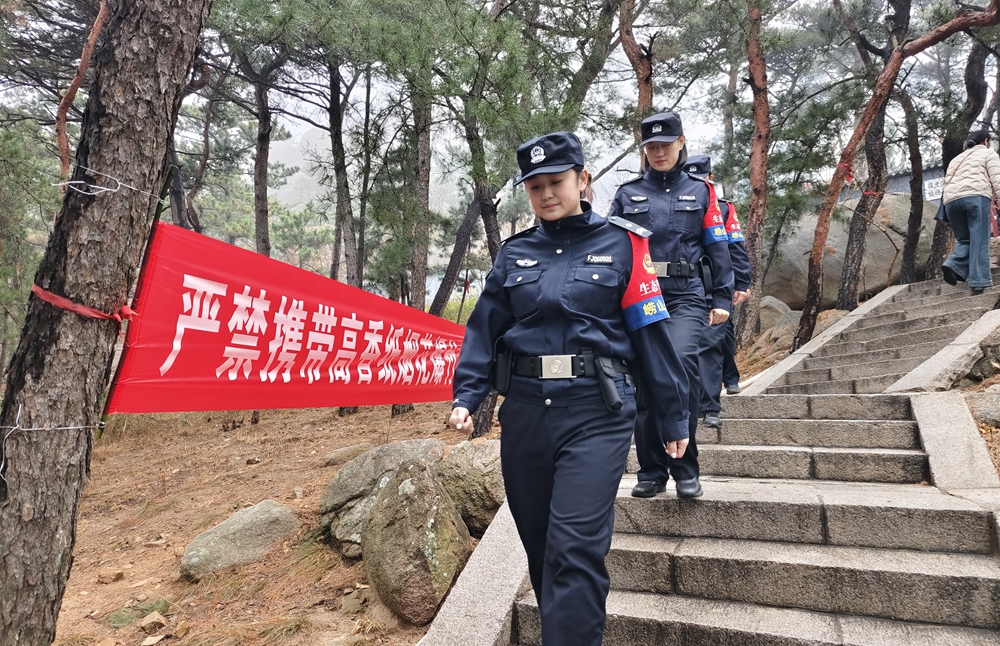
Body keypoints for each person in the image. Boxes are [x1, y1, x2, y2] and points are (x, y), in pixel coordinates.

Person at [449, 131, 690, 646]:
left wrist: (674, 414)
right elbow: (484, 329)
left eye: (556, 182)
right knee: (541, 547)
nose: (546, 195)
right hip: (526, 414)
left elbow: (651, 333)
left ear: (583, 180)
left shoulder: (624, 244)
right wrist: (467, 395)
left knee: (574, 547)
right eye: (534, 187)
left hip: (596, 410)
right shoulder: (515, 253)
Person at [608, 112, 734, 499]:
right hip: (641, 295)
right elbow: (611, 249)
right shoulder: (627, 194)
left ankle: (685, 468)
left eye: (665, 144)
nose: (659, 152)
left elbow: (718, 246)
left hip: (685, 294)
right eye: (651, 147)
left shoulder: (701, 191)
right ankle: (651, 470)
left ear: (681, 142)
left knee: (680, 364)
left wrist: (722, 297)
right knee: (646, 376)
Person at [686, 155, 752, 427]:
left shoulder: (723, 209)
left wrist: (742, 282)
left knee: (711, 343)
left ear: (710, 179)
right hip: (684, 288)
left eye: (700, 178)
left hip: (716, 287)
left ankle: (711, 407)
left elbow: (735, 247)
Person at [942, 129, 1000, 294]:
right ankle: (979, 281)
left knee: (965, 240)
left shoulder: (956, 159)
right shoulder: (988, 154)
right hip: (975, 198)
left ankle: (953, 265)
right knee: (980, 240)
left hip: (951, 202)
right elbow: (997, 178)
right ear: (986, 141)